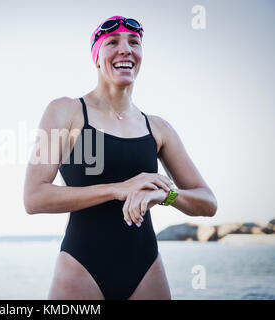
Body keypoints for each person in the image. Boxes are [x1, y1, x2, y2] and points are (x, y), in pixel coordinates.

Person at [23, 15, 217, 300]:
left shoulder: (159, 128)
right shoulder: (65, 111)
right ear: (97, 58)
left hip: (146, 269)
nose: (126, 49)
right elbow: (34, 197)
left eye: (134, 43)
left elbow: (207, 203)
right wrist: (118, 189)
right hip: (82, 267)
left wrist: (166, 195)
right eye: (112, 42)